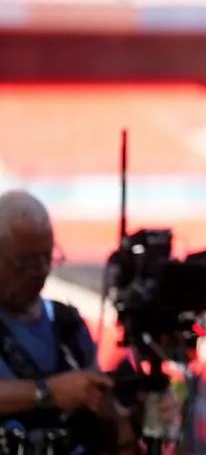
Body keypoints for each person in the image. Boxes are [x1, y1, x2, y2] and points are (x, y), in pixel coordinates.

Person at [0, 190, 133, 454]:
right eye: (25, 262)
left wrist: (121, 411)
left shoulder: (67, 324)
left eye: (46, 258)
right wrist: (46, 393)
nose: (40, 272)